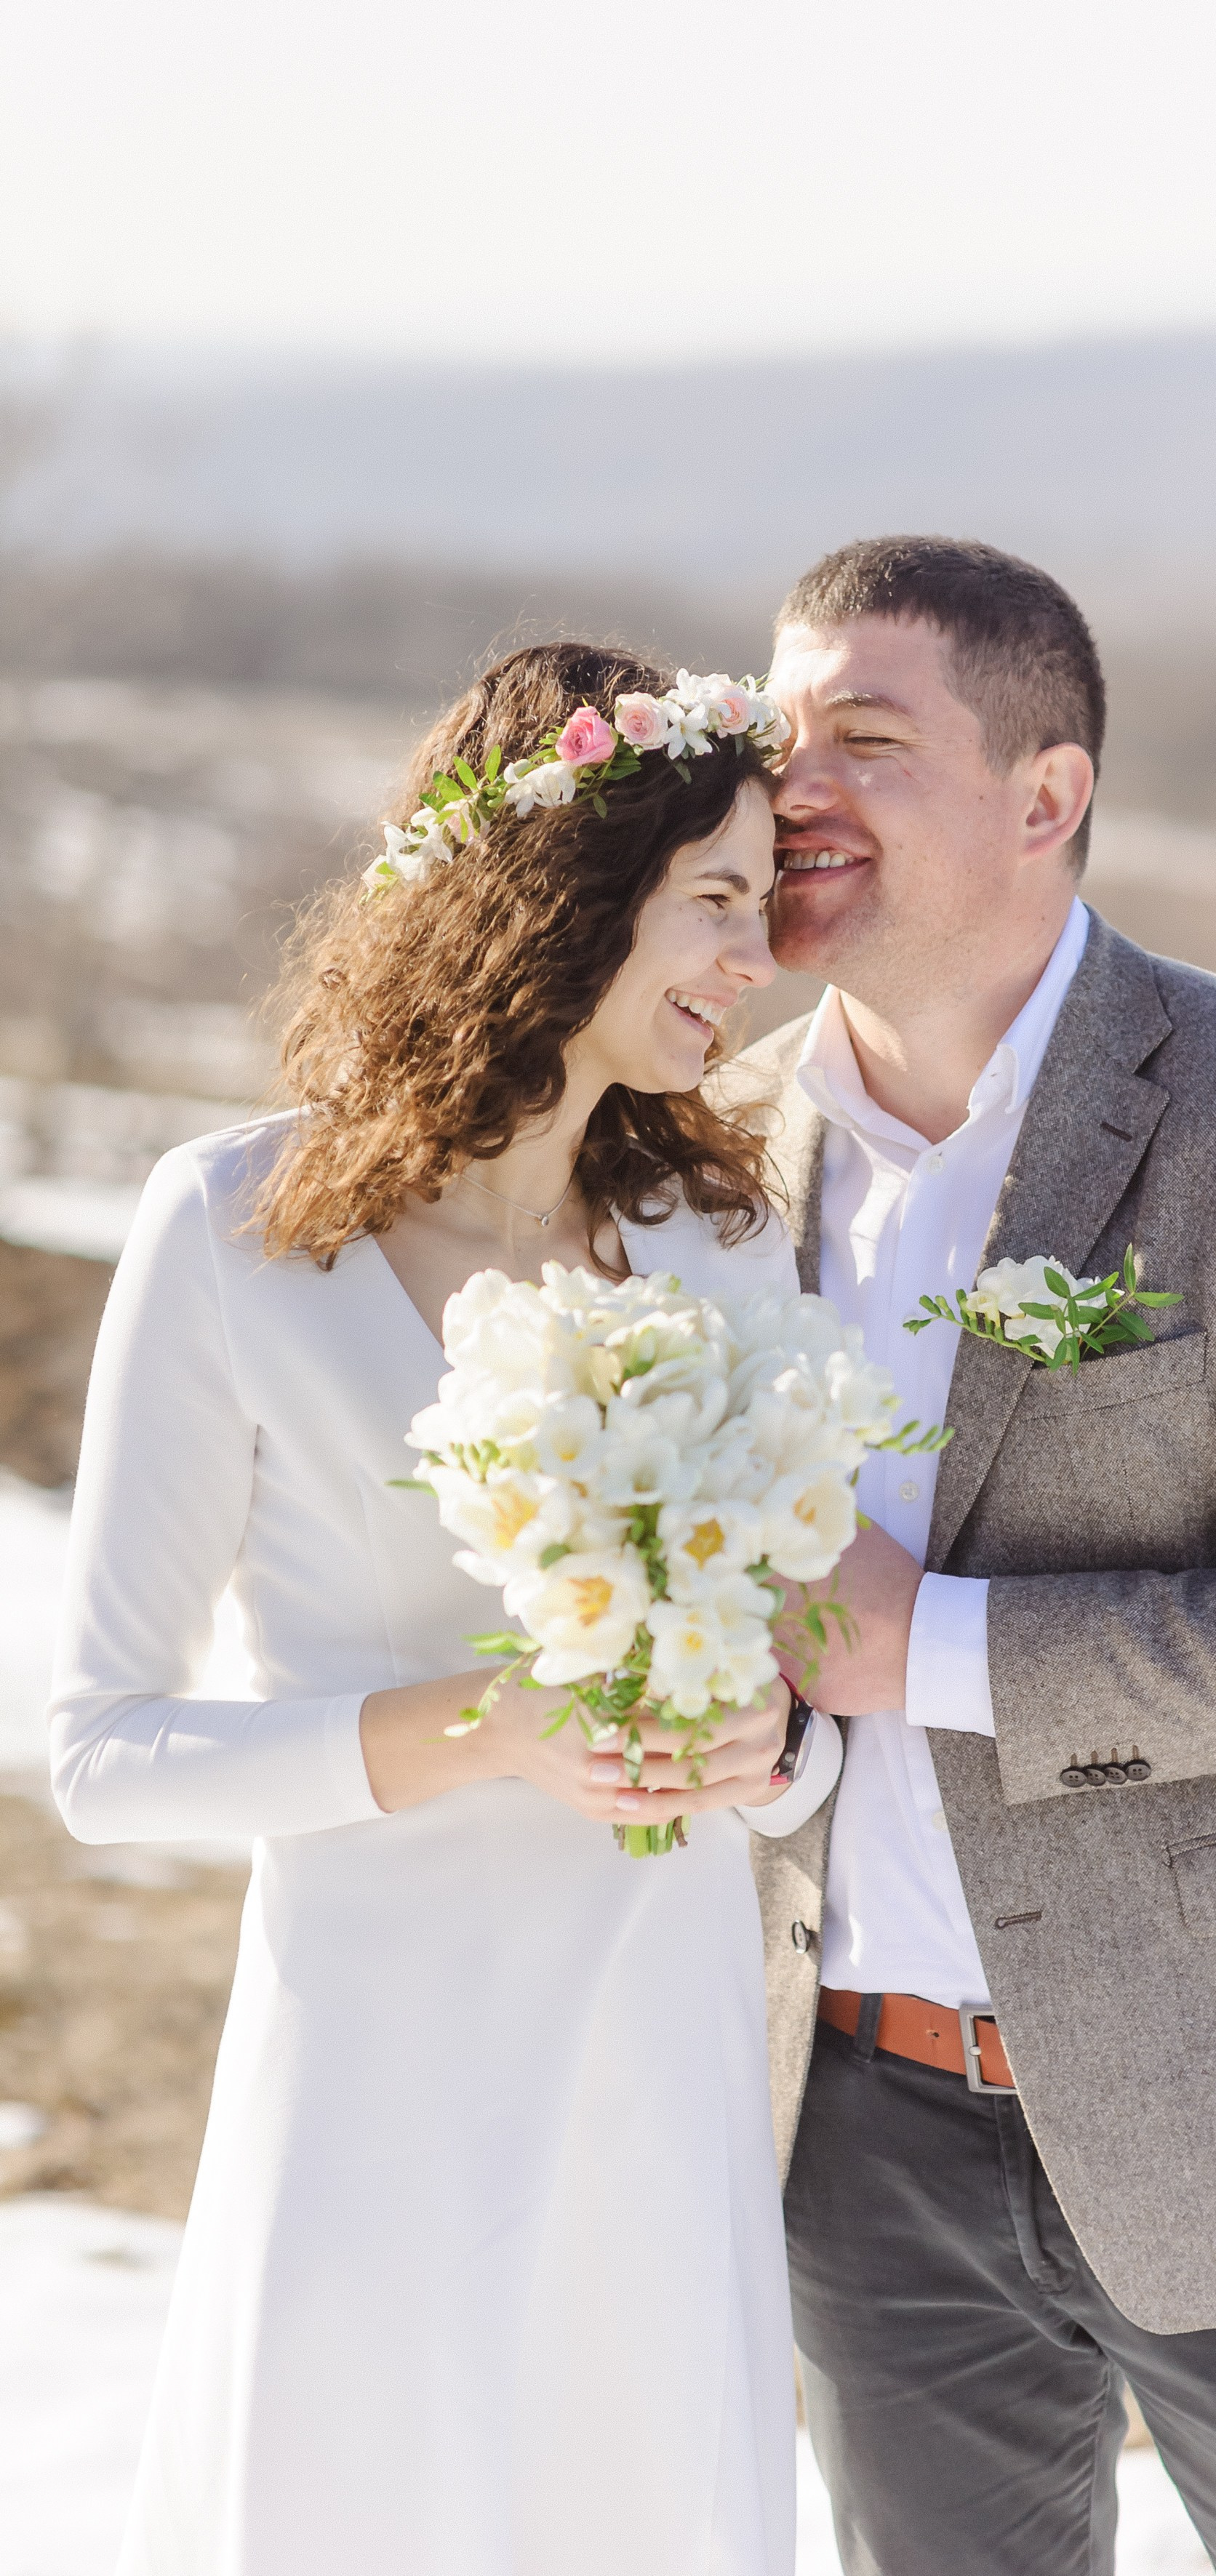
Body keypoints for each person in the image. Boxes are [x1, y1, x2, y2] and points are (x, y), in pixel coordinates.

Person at [728, 538, 1216, 2576]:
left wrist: (941, 1648)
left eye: (868, 742)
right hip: (856, 2132)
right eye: (779, 733)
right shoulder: (721, 1163)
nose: (794, 785)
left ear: (1045, 794)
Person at [48, 642, 841, 2576]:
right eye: (718, 902)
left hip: (652, 2066)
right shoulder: (235, 1233)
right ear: (562, 892)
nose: (761, 960)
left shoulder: (712, 1249)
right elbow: (101, 1757)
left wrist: (771, 1748)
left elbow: (795, 1705)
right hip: (373, 2071)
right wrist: (481, 1736)